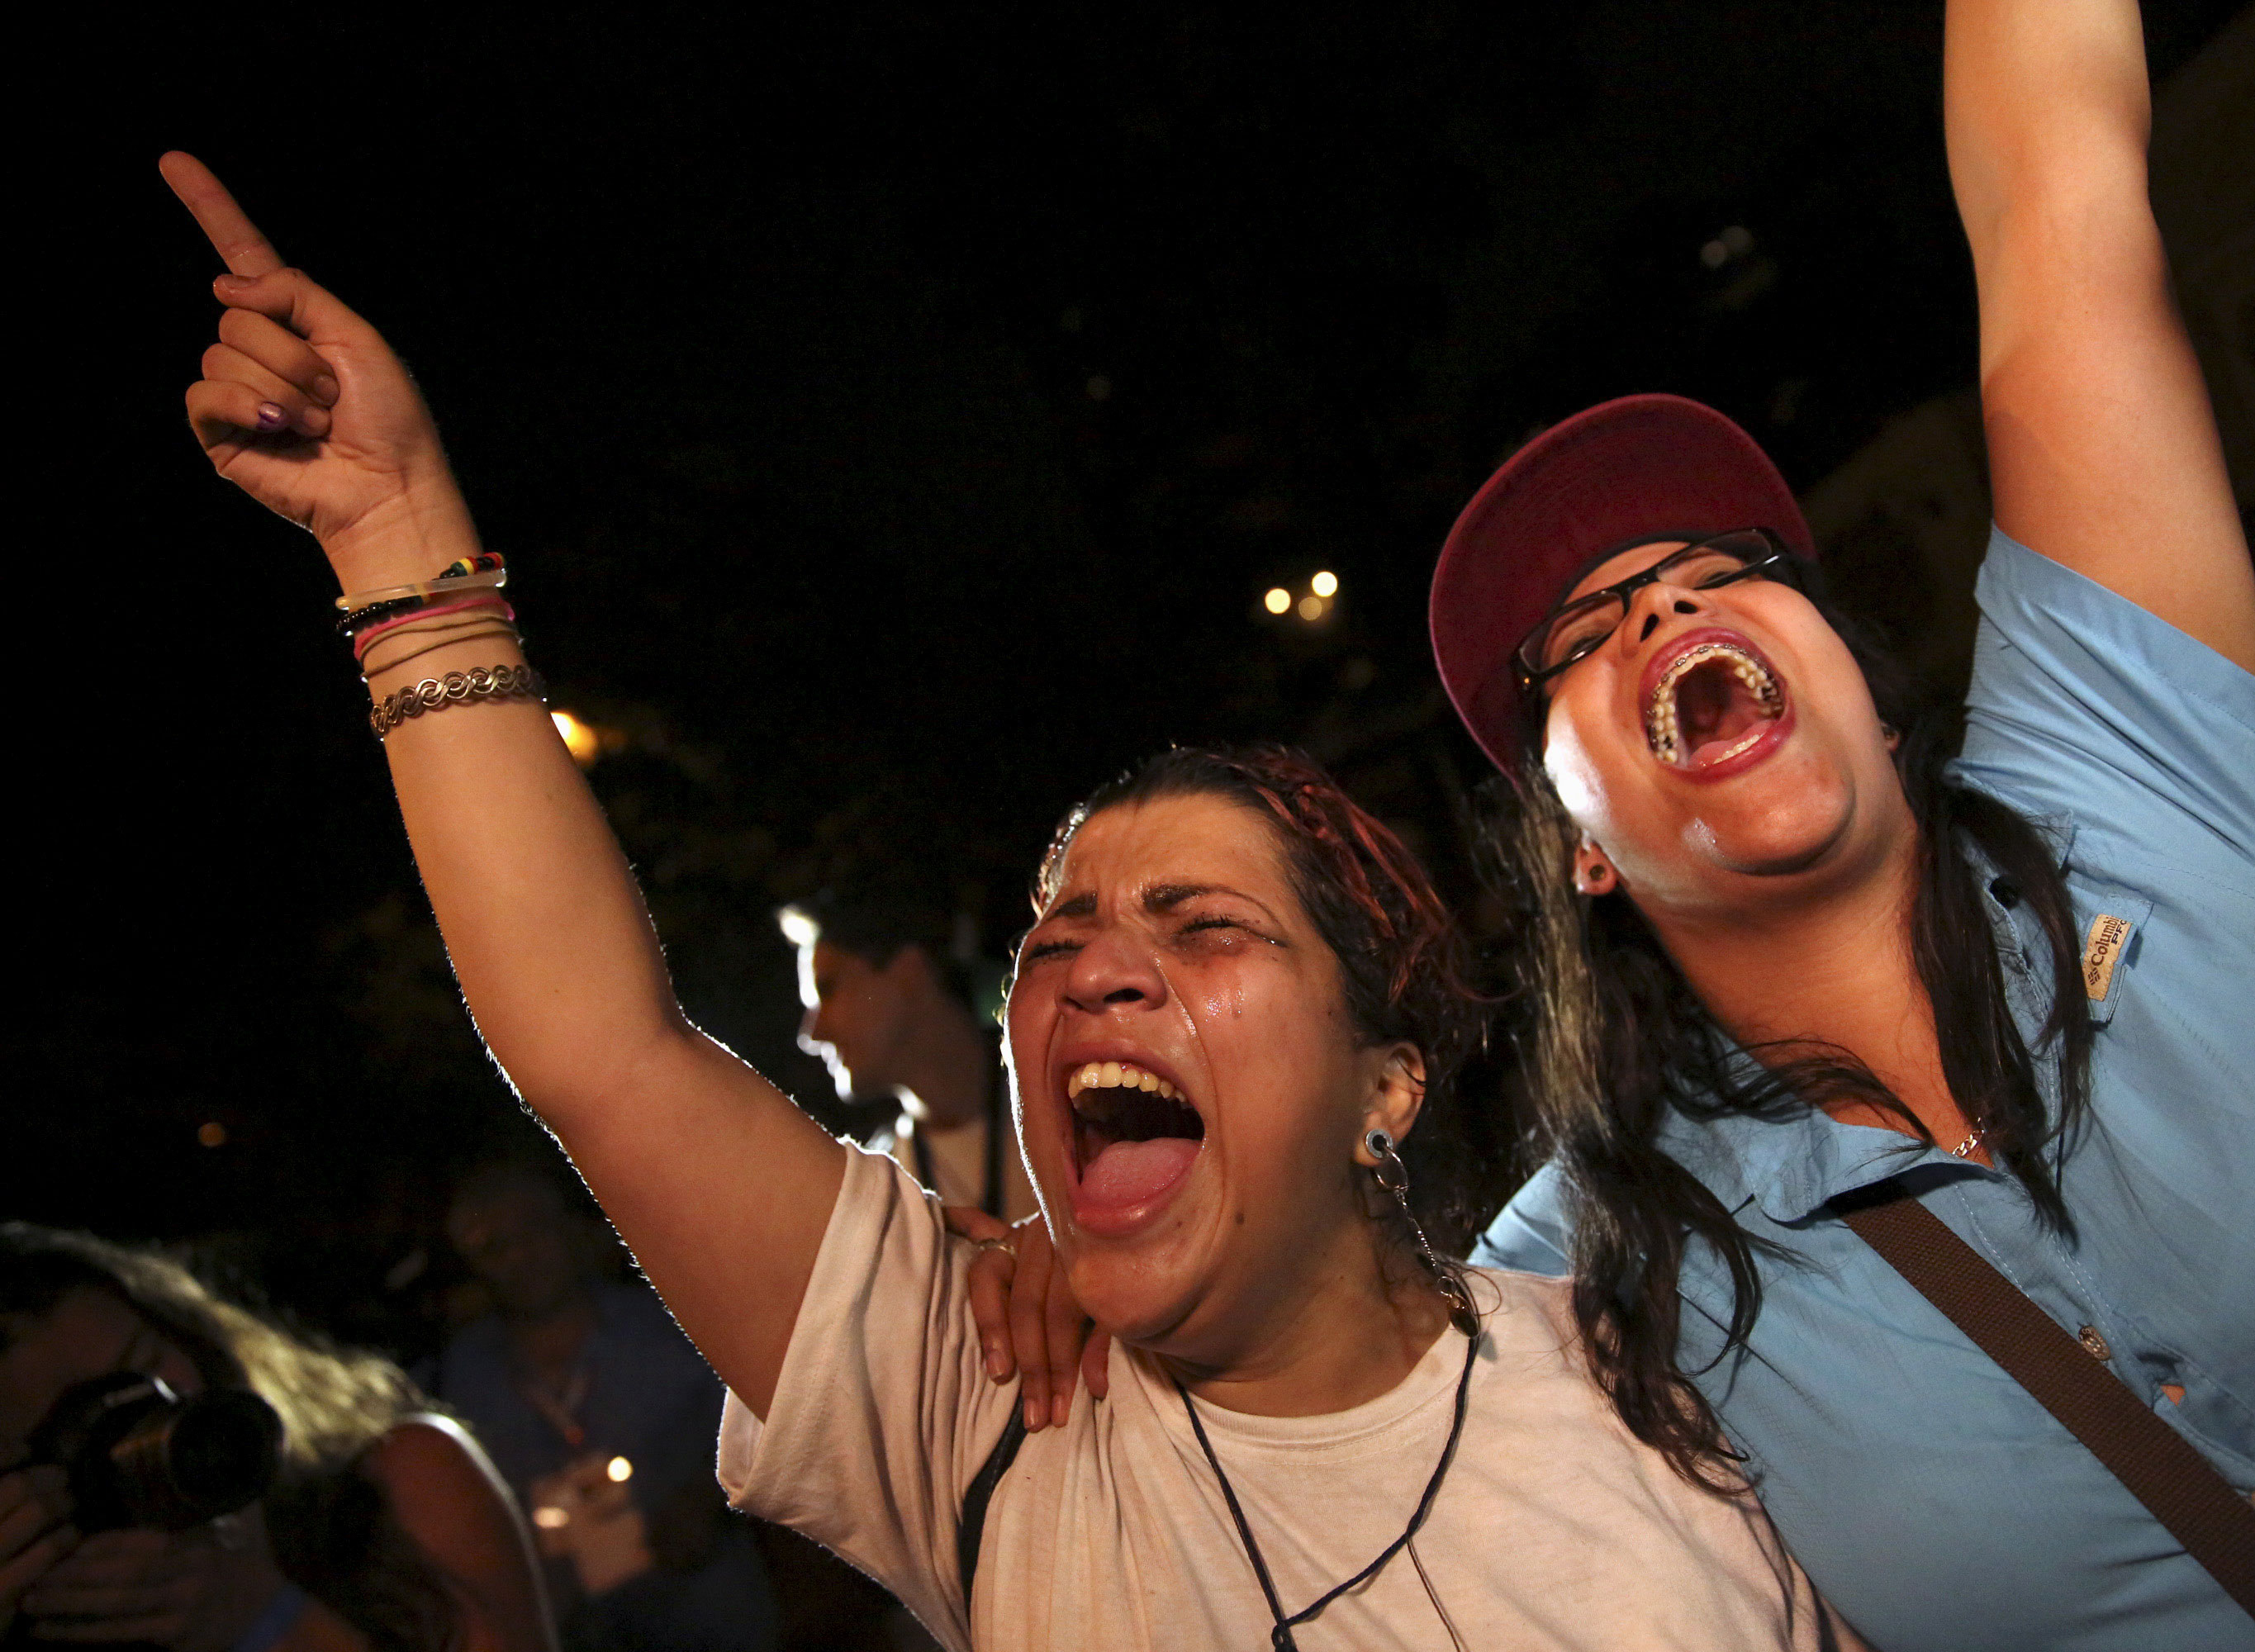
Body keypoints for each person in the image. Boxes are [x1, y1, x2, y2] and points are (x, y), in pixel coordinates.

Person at [158, 160, 1859, 1648]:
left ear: (1385, 1083)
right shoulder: (980, 1400)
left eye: (1205, 929)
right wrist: (400, 551)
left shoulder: (1668, 1377)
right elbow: (602, 1048)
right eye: (1057, 938)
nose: (1100, 968)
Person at [1415, 2, 2255, 1649]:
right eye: (1577, 636)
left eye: (1725, 569)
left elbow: (2058, 190)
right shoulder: (1589, 1271)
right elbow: (1286, 1403)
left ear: (1874, 694)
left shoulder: (2135, 768)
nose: (1664, 598)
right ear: (1580, 850)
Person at [0, 1223, 554, 1652]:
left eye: (143, 1366)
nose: (143, 1423)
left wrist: (262, 1615)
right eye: (81, 1424)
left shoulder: (395, 1479)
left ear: (182, 1330)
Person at [438, 1164, 781, 1652]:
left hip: (714, 1619)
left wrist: (711, 1500)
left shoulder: (671, 1326)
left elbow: (774, 1430)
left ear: (572, 1227)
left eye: (532, 1229)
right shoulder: (459, 1382)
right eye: (492, 1246)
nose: (519, 1256)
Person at [776, 881, 1037, 1222]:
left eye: (827, 990)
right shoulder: (877, 1193)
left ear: (909, 975)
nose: (811, 1033)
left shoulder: (1075, 1109)